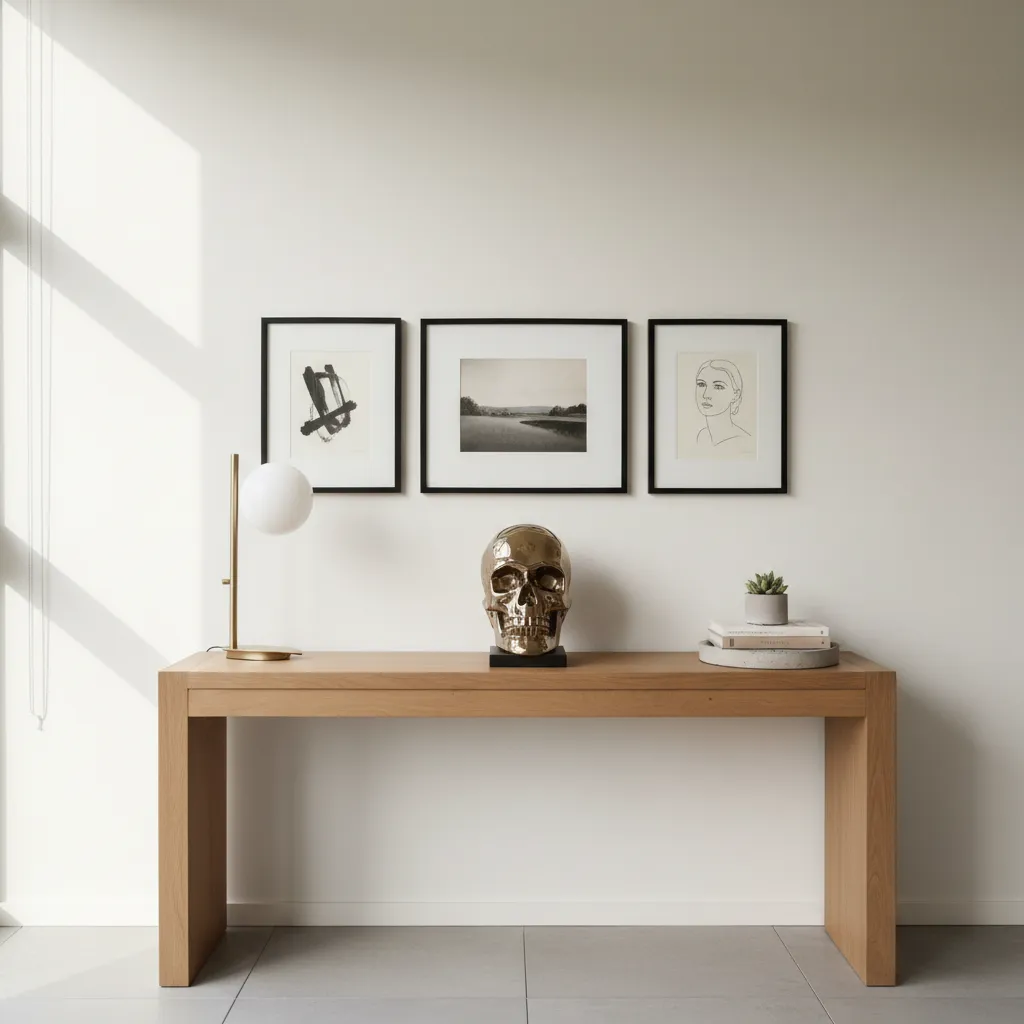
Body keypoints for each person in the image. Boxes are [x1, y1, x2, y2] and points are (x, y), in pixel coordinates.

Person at [694, 358, 752, 449]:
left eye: (718, 387)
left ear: (735, 395)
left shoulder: (742, 442)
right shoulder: (703, 436)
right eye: (701, 384)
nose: (706, 395)